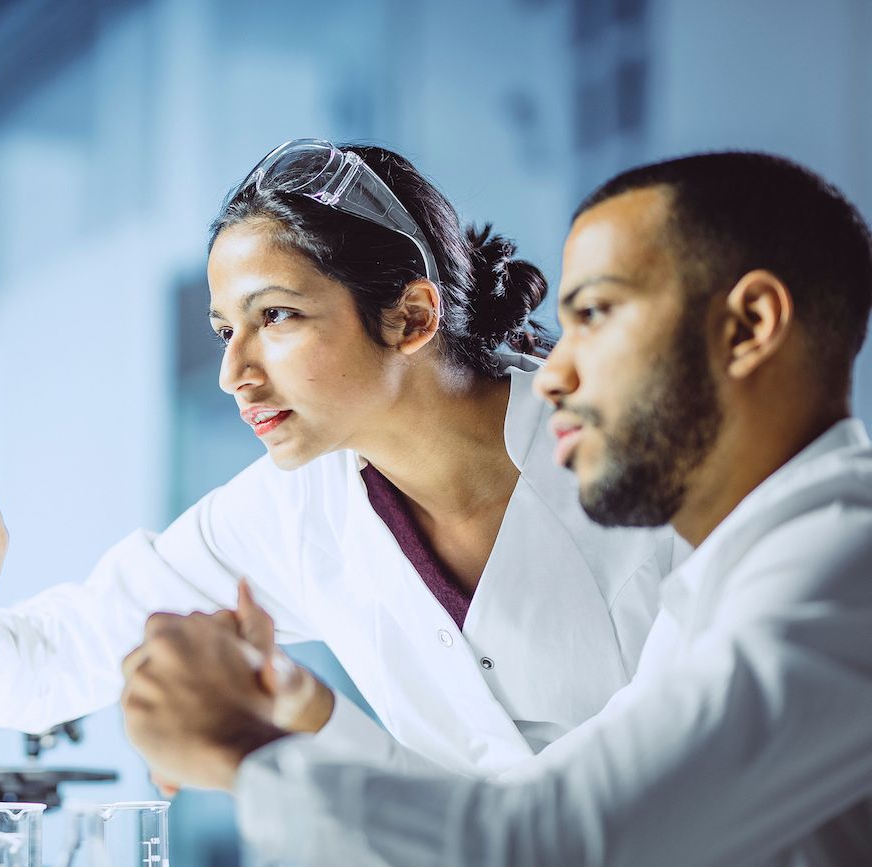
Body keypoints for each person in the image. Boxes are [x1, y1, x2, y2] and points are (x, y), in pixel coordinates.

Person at [120, 151, 872, 865]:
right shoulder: (736, 576)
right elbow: (525, 810)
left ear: (748, 325)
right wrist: (303, 714)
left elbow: (548, 846)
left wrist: (239, 750)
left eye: (596, 313)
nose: (553, 373)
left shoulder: (843, 571)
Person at [0, 139, 683, 778]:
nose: (234, 373)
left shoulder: (642, 453)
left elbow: (667, 764)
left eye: (274, 316)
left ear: (411, 316)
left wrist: (284, 731)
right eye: (223, 331)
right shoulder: (295, 506)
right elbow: (70, 651)